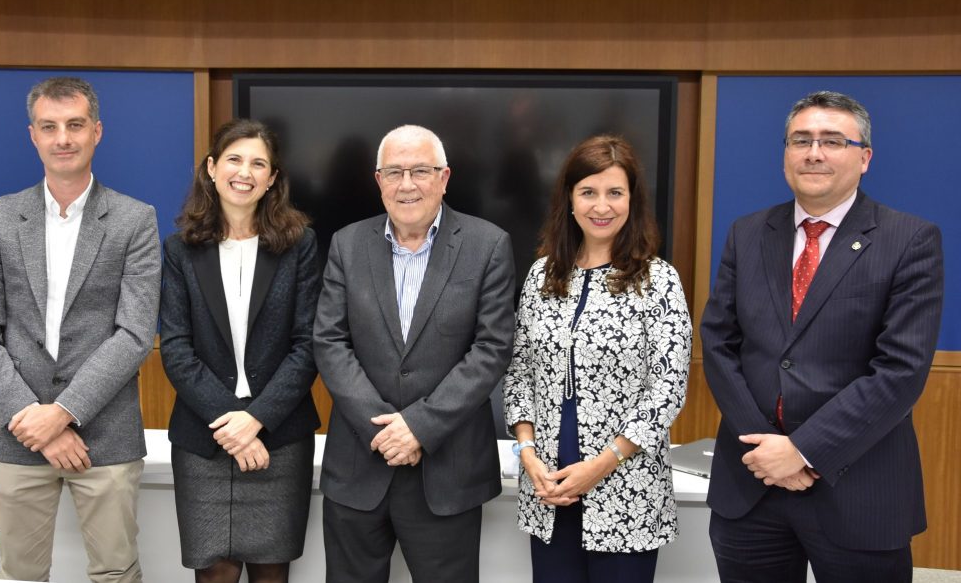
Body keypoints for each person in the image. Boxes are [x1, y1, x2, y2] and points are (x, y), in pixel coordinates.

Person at [701, 91, 944, 583]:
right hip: (752, 486)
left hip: (858, 489)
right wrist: (767, 449)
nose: (814, 152)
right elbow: (718, 344)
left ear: (864, 157)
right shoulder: (747, 234)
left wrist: (803, 450)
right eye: (801, 140)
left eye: (832, 140)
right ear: (785, 152)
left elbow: (900, 370)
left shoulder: (909, 240)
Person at [0, 76, 161, 582]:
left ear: (97, 132)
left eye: (74, 125)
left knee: (116, 571)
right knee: (20, 573)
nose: (63, 138)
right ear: (33, 135)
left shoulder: (135, 220)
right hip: (18, 433)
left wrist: (65, 412)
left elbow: (135, 334)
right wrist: (34, 417)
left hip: (106, 434)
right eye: (50, 127)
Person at [314, 124, 516, 583]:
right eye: (395, 172)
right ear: (378, 180)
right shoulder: (347, 243)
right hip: (359, 464)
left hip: (447, 471)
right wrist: (385, 430)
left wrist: (419, 427)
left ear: (444, 178)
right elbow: (329, 340)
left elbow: (491, 348)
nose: (407, 184)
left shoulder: (488, 245)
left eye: (420, 171)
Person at [503, 135, 692, 583]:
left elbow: (667, 389)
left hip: (625, 494)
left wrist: (600, 466)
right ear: (569, 199)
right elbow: (519, 374)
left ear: (633, 201)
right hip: (550, 493)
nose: (601, 206)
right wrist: (528, 456)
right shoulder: (542, 275)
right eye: (588, 192)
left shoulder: (658, 280)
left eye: (615, 193)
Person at [159, 119, 321, 583]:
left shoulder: (300, 246)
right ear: (211, 168)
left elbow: (307, 344)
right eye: (233, 159)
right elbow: (176, 348)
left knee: (271, 572)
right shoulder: (180, 249)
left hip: (279, 437)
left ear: (272, 179)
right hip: (203, 440)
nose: (244, 172)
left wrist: (255, 420)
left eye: (258, 163)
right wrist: (230, 422)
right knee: (215, 572)